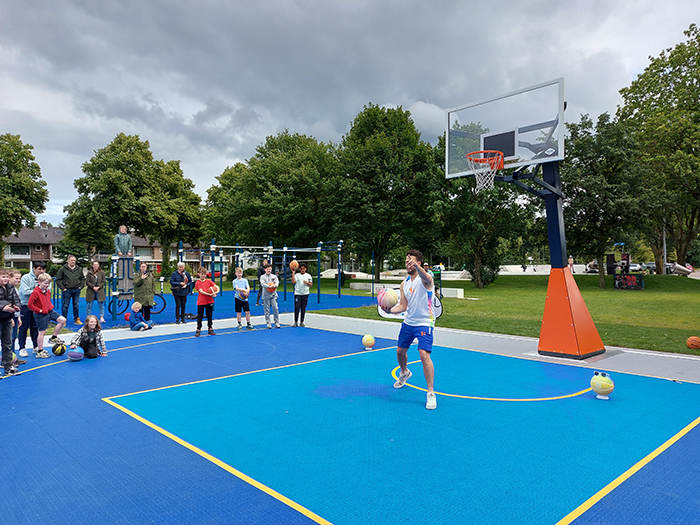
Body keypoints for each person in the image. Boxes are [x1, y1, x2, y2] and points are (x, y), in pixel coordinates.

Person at [387, 249, 437, 410]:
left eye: (412, 261)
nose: (408, 264)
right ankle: (404, 372)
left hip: (424, 322)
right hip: (409, 322)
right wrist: (389, 310)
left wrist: (418, 267)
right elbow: (403, 305)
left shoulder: (425, 279)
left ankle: (430, 393)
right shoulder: (405, 283)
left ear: (419, 263)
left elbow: (427, 277)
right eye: (407, 261)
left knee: (423, 354)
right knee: (400, 352)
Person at [27, 273, 67, 358]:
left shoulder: (47, 291)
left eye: (48, 283)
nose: (47, 285)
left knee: (62, 320)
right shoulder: (35, 292)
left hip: (49, 311)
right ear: (39, 282)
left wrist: (49, 307)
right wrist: (39, 310)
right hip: (40, 314)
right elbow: (30, 305)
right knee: (42, 332)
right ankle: (40, 351)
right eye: (45, 283)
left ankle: (53, 337)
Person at [17, 260, 45, 357]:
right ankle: (22, 348)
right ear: (34, 268)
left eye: (43, 269)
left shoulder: (44, 278)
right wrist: (38, 290)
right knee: (24, 327)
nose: (41, 271)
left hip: (37, 306)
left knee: (35, 327)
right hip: (26, 305)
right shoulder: (26, 278)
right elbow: (25, 291)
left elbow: (46, 290)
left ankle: (36, 346)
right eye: (39, 269)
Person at [1, 269, 24, 376]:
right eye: (3, 277)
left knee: (7, 344)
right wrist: (3, 307)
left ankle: (8, 367)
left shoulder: (11, 288)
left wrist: (16, 307)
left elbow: (17, 300)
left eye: (6, 277)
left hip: (6, 320)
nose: (5, 279)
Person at [55, 255, 85, 325]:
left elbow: (82, 278)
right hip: (67, 290)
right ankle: (64, 320)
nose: (73, 262)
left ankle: (77, 319)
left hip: (76, 289)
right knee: (65, 305)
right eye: (71, 260)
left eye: (74, 260)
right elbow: (58, 279)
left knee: (76, 305)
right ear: (68, 260)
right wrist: (63, 288)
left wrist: (81, 286)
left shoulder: (79, 269)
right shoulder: (63, 269)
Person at [194, 267, 218, 337]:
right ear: (198, 274)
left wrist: (216, 292)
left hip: (209, 301)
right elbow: (201, 292)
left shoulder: (209, 281)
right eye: (202, 274)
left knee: (209, 315)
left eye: (204, 274)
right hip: (201, 301)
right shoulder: (197, 283)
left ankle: (210, 328)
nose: (203, 275)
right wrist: (211, 294)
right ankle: (198, 329)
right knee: (200, 316)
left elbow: (216, 286)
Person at [259, 264, 280, 329]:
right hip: (266, 295)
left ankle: (277, 322)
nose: (269, 270)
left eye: (270, 269)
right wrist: (268, 286)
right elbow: (262, 284)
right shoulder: (262, 277)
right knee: (267, 310)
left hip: (273, 295)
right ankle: (268, 323)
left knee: (275, 308)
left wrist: (275, 285)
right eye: (267, 269)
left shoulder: (274, 276)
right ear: (265, 270)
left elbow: (277, 282)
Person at [292, 263, 312, 327]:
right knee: (297, 307)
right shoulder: (297, 275)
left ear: (305, 269)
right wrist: (293, 273)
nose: (302, 270)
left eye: (303, 269)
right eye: (301, 269)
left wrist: (307, 283)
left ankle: (302, 321)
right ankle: (295, 321)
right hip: (298, 293)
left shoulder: (308, 276)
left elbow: (311, 285)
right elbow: (293, 282)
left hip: (305, 293)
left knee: (303, 308)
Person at [9, 270, 23, 353]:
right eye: (16, 278)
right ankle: (8, 358)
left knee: (14, 337)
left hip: (15, 316)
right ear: (10, 277)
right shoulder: (7, 290)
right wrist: (10, 319)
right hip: (9, 317)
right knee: (9, 338)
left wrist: (18, 317)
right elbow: (7, 305)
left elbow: (17, 304)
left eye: (19, 278)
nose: (18, 280)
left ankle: (13, 356)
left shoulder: (15, 290)